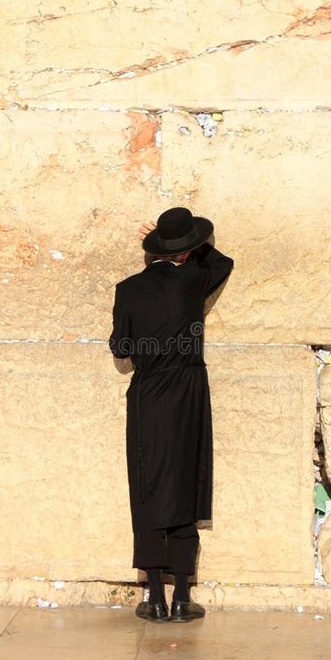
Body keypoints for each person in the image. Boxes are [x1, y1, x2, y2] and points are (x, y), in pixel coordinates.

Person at [108, 206, 234, 623]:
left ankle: (155, 598)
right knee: (186, 481)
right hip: (189, 393)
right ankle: (182, 595)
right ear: (187, 251)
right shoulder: (194, 281)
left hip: (148, 394)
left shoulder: (127, 289)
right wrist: (192, 248)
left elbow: (121, 348)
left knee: (148, 484)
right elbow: (222, 262)